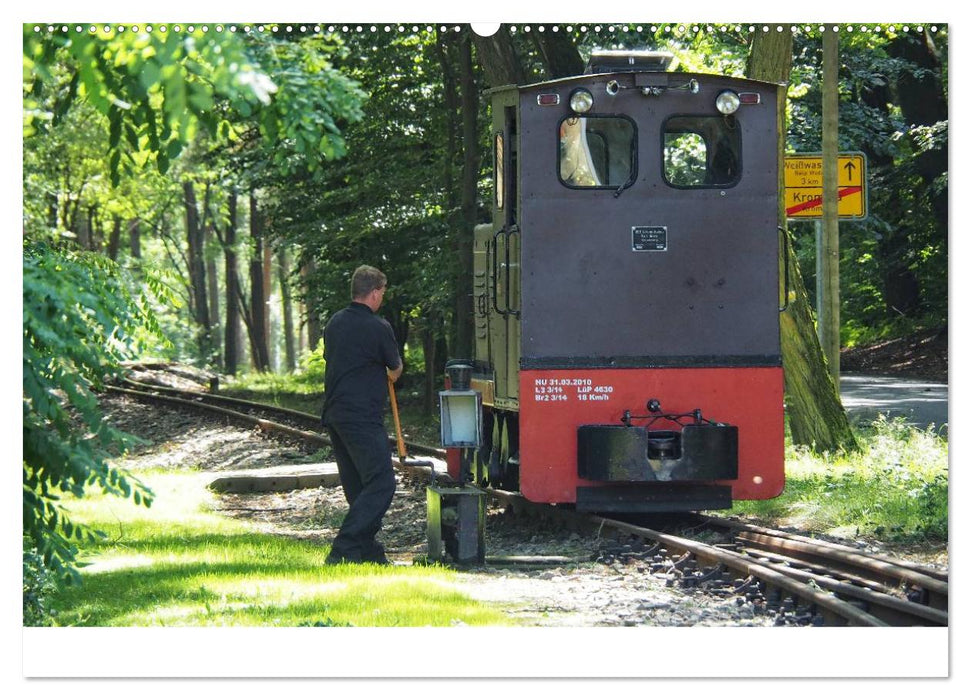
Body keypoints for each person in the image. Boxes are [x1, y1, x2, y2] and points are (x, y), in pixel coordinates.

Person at [320, 265, 403, 565]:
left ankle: (367, 552)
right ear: (375, 292)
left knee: (358, 487)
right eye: (382, 292)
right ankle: (343, 550)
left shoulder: (334, 323)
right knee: (382, 482)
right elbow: (395, 370)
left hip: (335, 413)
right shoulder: (378, 327)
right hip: (361, 415)